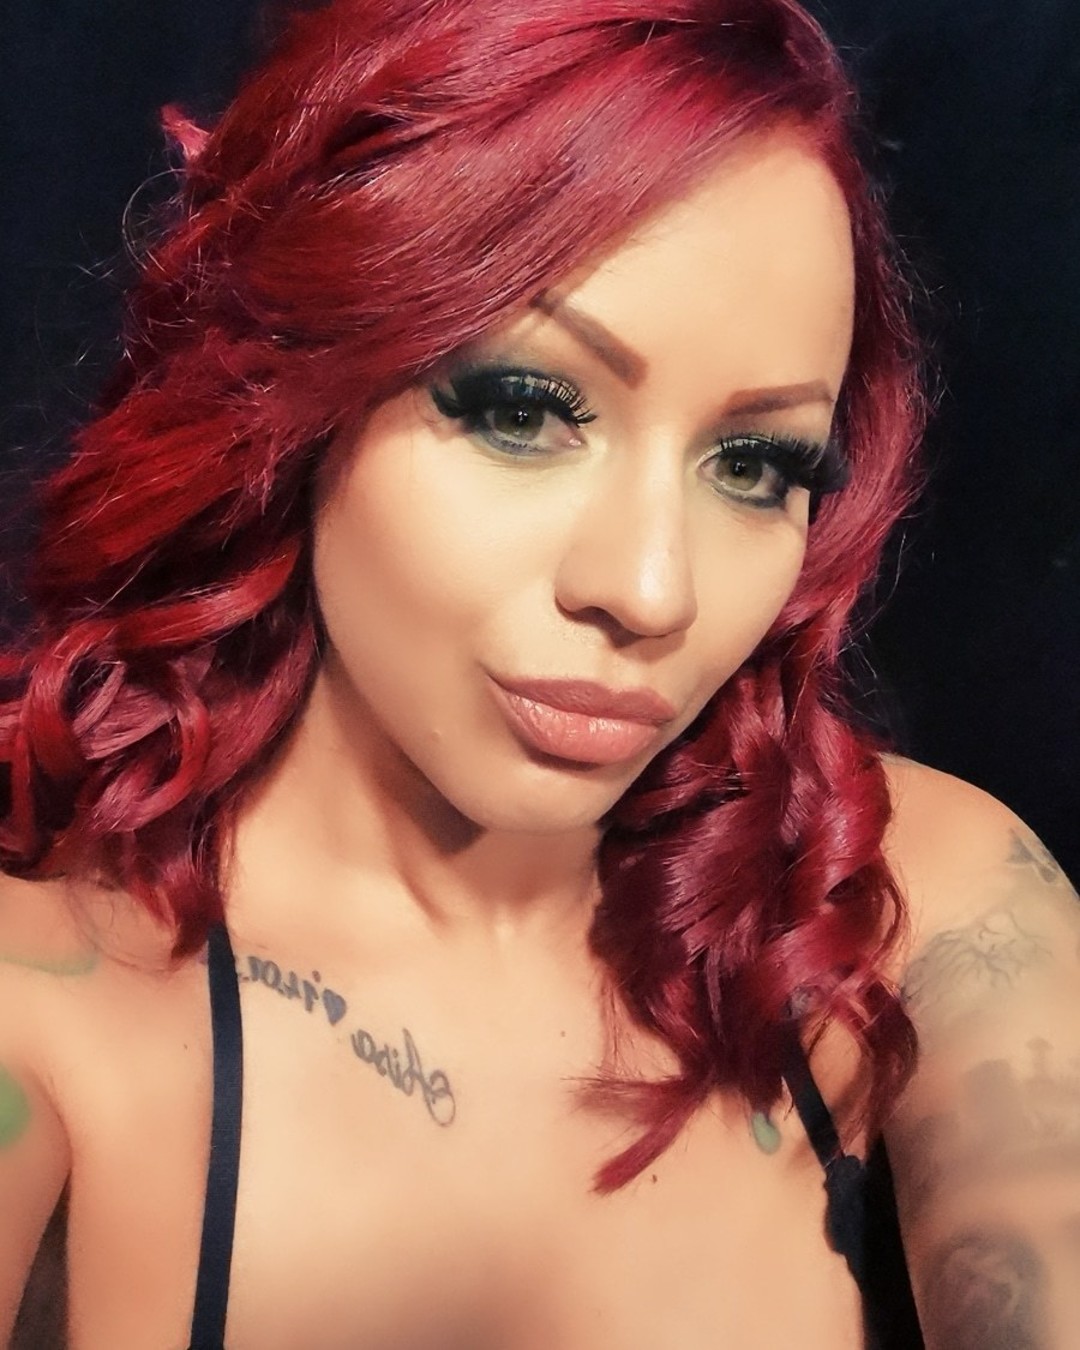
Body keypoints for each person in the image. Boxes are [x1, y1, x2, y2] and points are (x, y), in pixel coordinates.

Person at [1, 0, 1077, 1346]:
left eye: (756, 464)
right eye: (524, 410)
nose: (651, 589)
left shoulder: (909, 907)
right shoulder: (49, 1005)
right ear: (294, 393)